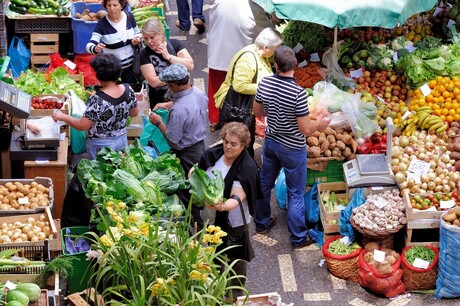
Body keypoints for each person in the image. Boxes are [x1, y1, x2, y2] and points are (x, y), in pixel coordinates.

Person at [253, 46, 330, 248]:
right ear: (295, 65)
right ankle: (298, 237)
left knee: (264, 183)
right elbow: (305, 129)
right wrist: (320, 124)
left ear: (275, 65)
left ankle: (261, 223)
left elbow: (257, 110)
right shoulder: (298, 93)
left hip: (270, 142)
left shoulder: (265, 82)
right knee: (295, 193)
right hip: (293, 149)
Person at [198, 122, 261, 299]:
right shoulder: (214, 154)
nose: (228, 146)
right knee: (214, 253)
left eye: (234, 144)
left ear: (243, 146)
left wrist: (222, 206)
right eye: (226, 141)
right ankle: (214, 292)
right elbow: (198, 170)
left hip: (235, 220)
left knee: (237, 259)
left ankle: (234, 296)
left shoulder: (247, 167)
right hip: (212, 218)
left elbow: (236, 197)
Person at [148, 63, 207, 228]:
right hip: (200, 146)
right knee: (197, 184)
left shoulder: (179, 110)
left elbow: (172, 140)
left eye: (168, 85)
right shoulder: (199, 93)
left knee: (188, 192)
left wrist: (158, 122)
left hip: (186, 153)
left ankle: (195, 229)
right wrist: (168, 105)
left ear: (173, 85)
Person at [52, 53, 139, 160]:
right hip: (121, 140)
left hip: (101, 146)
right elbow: (134, 113)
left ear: (98, 76)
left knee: (100, 174)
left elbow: (82, 125)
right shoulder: (128, 89)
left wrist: (62, 116)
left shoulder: (97, 100)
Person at [214, 27, 283, 157]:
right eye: (276, 48)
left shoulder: (260, 54)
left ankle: (245, 166)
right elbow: (239, 86)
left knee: (246, 140)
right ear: (266, 47)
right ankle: (238, 169)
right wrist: (266, 86)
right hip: (237, 109)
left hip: (246, 109)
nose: (276, 52)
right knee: (238, 142)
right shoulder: (248, 59)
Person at [207, 0, 274, 132]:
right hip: (239, 55)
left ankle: (214, 120)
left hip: (217, 50)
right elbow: (266, 31)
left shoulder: (220, 2)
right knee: (238, 89)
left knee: (216, 87)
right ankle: (237, 119)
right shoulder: (254, 8)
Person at [86, 0, 143, 92]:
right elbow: (89, 45)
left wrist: (137, 39)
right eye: (109, 5)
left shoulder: (129, 16)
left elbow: (137, 33)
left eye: (115, 5)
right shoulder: (102, 24)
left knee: (132, 93)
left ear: (121, 5)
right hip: (113, 71)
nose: (112, 9)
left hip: (132, 68)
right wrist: (95, 48)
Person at [140, 18, 194, 109]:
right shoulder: (144, 54)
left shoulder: (175, 44)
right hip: (158, 100)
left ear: (161, 34)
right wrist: (178, 76)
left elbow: (190, 66)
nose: (149, 42)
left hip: (182, 97)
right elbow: (153, 82)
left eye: (152, 37)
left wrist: (169, 57)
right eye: (146, 38)